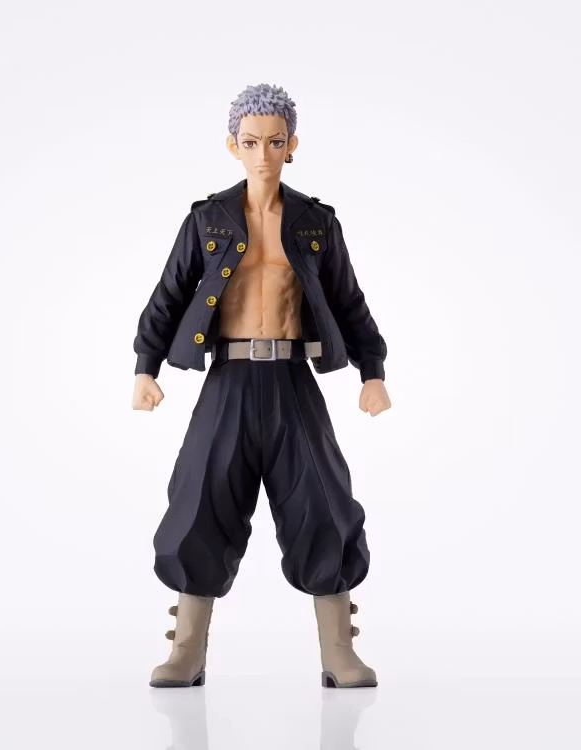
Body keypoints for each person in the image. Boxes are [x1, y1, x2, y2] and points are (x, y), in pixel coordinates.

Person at [132, 83, 391, 689]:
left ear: (292, 144)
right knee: (200, 500)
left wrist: (372, 371)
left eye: (275, 142)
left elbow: (348, 300)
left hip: (293, 381)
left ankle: (339, 651)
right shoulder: (207, 220)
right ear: (233, 146)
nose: (263, 155)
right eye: (250, 143)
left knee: (323, 501)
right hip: (227, 379)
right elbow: (169, 294)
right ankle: (187, 650)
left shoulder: (316, 223)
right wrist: (146, 367)